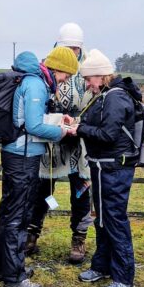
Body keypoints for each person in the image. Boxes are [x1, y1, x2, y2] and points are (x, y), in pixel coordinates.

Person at [0, 47, 79, 287]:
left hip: (19, 154)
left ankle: (7, 267)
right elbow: (32, 125)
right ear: (58, 68)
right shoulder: (36, 85)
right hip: (23, 157)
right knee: (18, 216)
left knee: (10, 212)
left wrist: (55, 119)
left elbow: (30, 119)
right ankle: (14, 277)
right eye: (67, 75)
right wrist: (62, 132)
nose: (65, 81)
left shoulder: (34, 81)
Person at [68, 49, 140, 287]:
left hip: (115, 168)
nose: (87, 84)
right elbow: (99, 127)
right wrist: (80, 125)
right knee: (101, 218)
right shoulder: (105, 96)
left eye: (89, 79)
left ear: (101, 76)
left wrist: (80, 130)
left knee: (115, 220)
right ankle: (102, 266)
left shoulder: (115, 98)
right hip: (102, 166)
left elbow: (108, 135)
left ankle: (124, 277)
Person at [26, 23, 94, 264]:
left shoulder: (87, 68)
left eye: (76, 47)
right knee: (42, 188)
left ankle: (79, 237)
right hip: (51, 138)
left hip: (78, 141)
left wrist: (82, 124)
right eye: (69, 47)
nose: (73, 52)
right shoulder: (49, 66)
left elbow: (93, 99)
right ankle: (32, 232)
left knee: (81, 190)